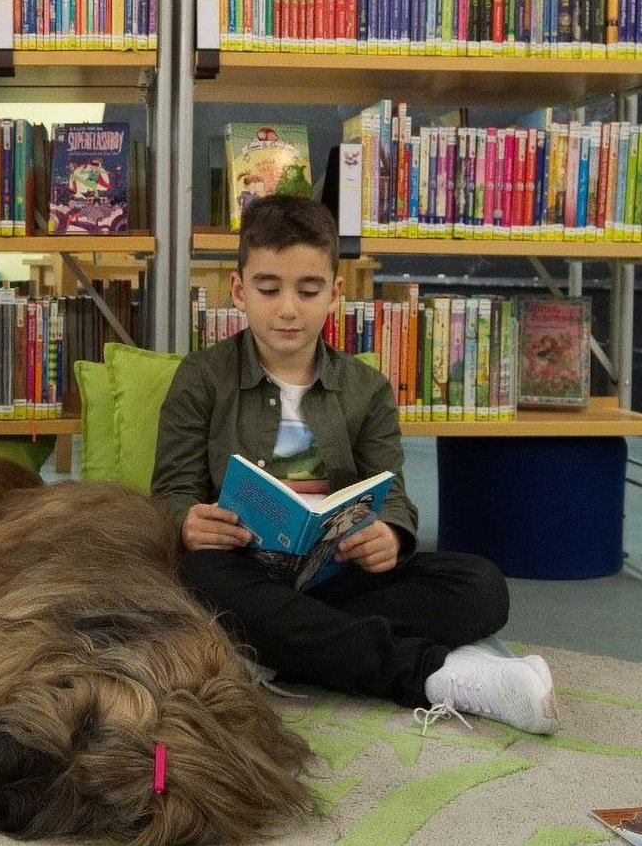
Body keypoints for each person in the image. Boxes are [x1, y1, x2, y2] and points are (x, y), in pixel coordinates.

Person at [151, 193, 560, 735]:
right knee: (196, 577)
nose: (288, 309)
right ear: (239, 289)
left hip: (334, 574)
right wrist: (186, 518)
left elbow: (389, 489)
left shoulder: (366, 388)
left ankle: (275, 646)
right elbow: (171, 487)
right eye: (268, 289)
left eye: (309, 289)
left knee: (482, 586)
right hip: (240, 569)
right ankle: (439, 674)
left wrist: (390, 534)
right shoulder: (201, 377)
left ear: (336, 293)